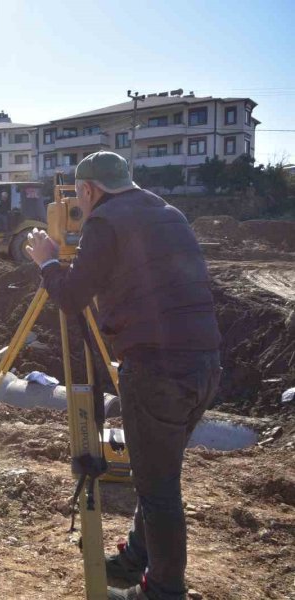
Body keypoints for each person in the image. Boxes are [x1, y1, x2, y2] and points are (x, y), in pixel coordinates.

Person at [25, 151, 221, 600]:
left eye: (79, 198)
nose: (79, 207)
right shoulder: (167, 212)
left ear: (90, 190)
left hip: (159, 370)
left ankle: (163, 591)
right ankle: (136, 558)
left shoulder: (106, 221)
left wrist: (47, 262)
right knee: (158, 474)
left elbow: (73, 298)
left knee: (158, 489)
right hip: (204, 363)